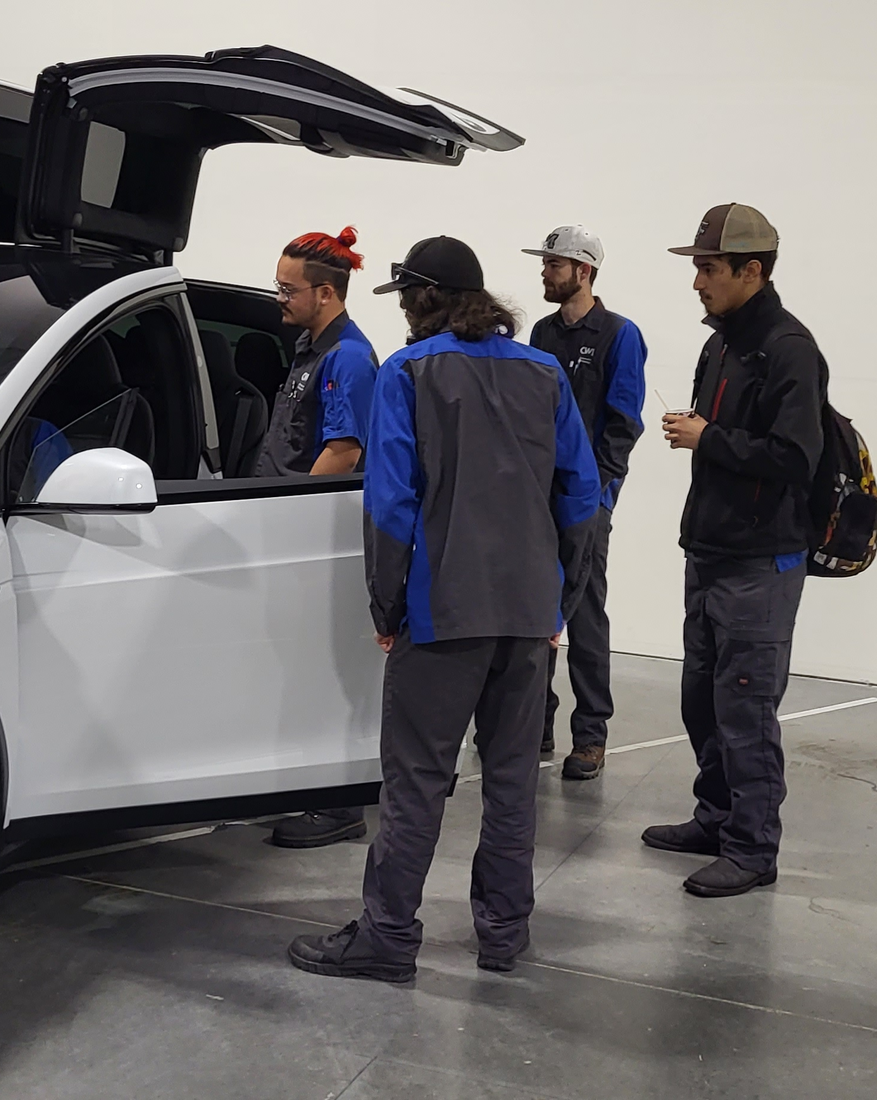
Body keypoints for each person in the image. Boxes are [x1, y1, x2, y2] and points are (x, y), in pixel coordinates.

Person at [287, 236, 600, 981]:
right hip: (527, 614)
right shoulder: (547, 374)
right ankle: (503, 935)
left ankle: (388, 938)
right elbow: (582, 499)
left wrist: (387, 607)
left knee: (418, 779)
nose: (400, 312)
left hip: (442, 611)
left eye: (403, 298)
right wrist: (561, 599)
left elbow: (391, 506)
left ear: (423, 298)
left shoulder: (408, 374)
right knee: (513, 776)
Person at [643, 204, 827, 898]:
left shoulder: (787, 347)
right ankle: (717, 818)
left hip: (760, 562)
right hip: (713, 551)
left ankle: (753, 849)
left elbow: (796, 456)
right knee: (703, 700)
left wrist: (706, 437)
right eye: (696, 266)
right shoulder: (721, 343)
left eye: (708, 268)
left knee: (745, 709)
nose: (696, 281)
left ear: (752, 271)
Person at [258, 227, 380, 850]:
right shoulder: (312, 347)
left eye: (287, 289)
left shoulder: (349, 359)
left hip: (312, 535)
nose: (279, 298)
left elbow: (343, 450)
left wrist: (286, 514)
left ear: (325, 293)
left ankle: (339, 804)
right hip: (285, 530)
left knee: (327, 669)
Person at [523, 226, 647, 780]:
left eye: (554, 264)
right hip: (539, 497)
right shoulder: (543, 333)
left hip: (588, 501)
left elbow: (623, 422)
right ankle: (535, 723)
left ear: (584, 270)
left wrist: (596, 494)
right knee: (534, 610)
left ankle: (591, 735)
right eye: (546, 264)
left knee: (585, 612)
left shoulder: (620, 335)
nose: (545, 273)